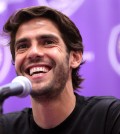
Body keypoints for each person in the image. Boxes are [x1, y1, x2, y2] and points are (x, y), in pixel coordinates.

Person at [0, 6, 120, 134]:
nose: (33, 52)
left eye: (48, 42)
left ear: (74, 58)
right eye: (23, 46)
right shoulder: (6, 128)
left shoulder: (109, 117)